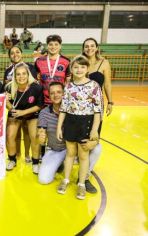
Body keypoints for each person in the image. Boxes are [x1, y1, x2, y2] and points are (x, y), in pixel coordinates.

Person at [37, 82, 101, 194]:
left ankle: (83, 179)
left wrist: (94, 141)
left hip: (75, 148)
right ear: (49, 96)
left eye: (59, 92)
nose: (55, 95)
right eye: (52, 93)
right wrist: (40, 136)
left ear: (65, 93)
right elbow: (40, 135)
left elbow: (93, 132)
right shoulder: (44, 112)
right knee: (43, 179)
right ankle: (60, 164)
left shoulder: (79, 111)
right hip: (56, 149)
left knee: (97, 149)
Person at [56, 55, 102, 200]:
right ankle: (66, 180)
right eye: (76, 67)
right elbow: (63, 109)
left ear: (87, 68)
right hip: (70, 121)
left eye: (82, 67)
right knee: (70, 153)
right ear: (71, 69)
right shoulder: (69, 86)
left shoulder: (94, 85)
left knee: (83, 155)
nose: (79, 69)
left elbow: (97, 111)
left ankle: (81, 184)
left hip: (85, 123)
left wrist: (94, 129)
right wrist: (59, 127)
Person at [5, 63, 44, 173]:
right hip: (16, 114)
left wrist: (23, 112)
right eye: (18, 74)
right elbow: (7, 103)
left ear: (28, 75)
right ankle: (12, 160)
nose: (21, 77)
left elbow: (39, 105)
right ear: (15, 76)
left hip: (31, 114)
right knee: (10, 136)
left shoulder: (36, 87)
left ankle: (35, 162)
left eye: (23, 74)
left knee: (34, 136)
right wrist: (10, 107)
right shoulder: (9, 87)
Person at [3, 46, 38, 162]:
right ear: (9, 56)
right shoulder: (8, 70)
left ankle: (27, 155)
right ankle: (16, 155)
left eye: (17, 52)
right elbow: (6, 88)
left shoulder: (31, 67)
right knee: (14, 133)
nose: (15, 54)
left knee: (27, 131)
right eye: (12, 53)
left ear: (21, 53)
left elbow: (34, 84)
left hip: (28, 105)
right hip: (14, 106)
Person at [35, 34, 70, 105]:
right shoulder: (39, 61)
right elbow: (37, 80)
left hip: (60, 101)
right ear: (47, 46)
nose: (53, 47)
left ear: (60, 46)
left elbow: (68, 82)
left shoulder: (66, 61)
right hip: (43, 101)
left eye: (56, 44)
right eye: (50, 44)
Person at [82, 37, 113, 117]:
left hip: (97, 103)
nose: (89, 48)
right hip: (80, 102)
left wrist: (110, 102)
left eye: (92, 46)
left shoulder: (104, 63)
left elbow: (107, 84)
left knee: (96, 128)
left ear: (97, 48)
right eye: (86, 46)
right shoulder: (79, 63)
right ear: (83, 49)